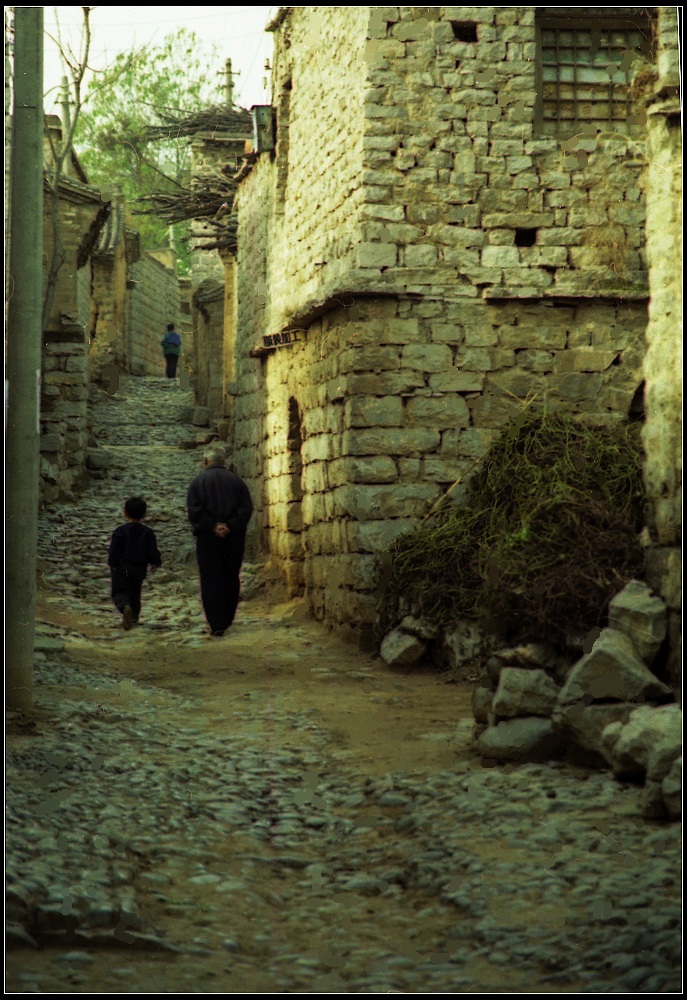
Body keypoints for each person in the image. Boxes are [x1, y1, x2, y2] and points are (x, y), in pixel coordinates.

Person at [186, 444, 254, 637]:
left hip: (208, 538)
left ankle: (216, 623)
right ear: (224, 461)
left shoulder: (198, 482)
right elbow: (245, 508)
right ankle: (227, 617)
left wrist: (212, 526)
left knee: (210, 578)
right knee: (230, 575)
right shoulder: (237, 482)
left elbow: (194, 510)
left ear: (206, 461)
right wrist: (230, 525)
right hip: (233, 537)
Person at [108, 497, 162, 630]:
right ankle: (134, 617)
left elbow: (114, 550)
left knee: (119, 591)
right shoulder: (147, 532)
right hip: (139, 568)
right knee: (135, 592)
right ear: (144, 514)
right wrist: (155, 562)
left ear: (125, 513)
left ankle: (125, 607)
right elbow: (152, 550)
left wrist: (113, 563)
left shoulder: (120, 531)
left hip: (122, 567)